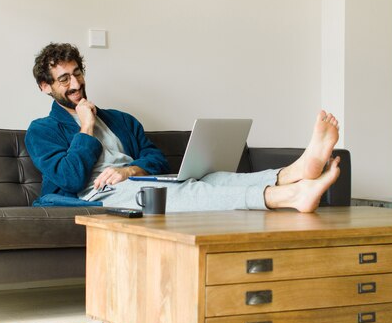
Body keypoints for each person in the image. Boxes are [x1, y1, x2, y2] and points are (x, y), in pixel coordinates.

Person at [25, 43, 341, 213]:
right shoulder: (42, 130)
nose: (76, 83)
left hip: (133, 183)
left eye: (77, 73)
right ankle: (287, 196)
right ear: (45, 87)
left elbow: (156, 161)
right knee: (179, 192)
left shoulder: (121, 120)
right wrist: (86, 127)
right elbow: (70, 178)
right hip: (96, 196)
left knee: (211, 177)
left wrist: (130, 171)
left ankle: (292, 172)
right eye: (64, 78)